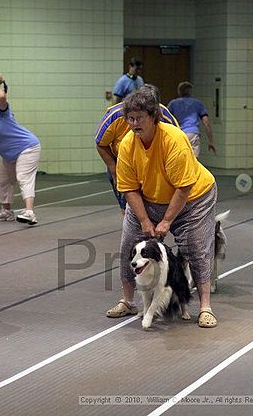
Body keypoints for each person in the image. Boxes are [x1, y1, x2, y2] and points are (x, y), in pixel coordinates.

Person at [106, 86, 218, 328]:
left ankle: (205, 307)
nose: (134, 124)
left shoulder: (174, 140)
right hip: (149, 198)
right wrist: (145, 221)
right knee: (129, 245)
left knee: (196, 249)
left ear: (154, 117)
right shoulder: (126, 145)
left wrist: (166, 221)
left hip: (193, 199)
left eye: (139, 118)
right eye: (130, 119)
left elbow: (184, 187)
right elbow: (128, 188)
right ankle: (127, 301)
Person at [95, 84, 179, 213]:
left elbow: (178, 144)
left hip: (153, 162)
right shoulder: (115, 115)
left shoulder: (165, 116)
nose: (137, 123)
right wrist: (114, 171)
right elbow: (101, 143)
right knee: (129, 207)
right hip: (123, 163)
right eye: (133, 118)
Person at [0, 72, 41, 224]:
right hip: (10, 156)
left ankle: (30, 212)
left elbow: (2, 98)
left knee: (23, 176)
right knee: (1, 179)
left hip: (28, 147)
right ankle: (6, 212)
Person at [168, 81, 216, 158]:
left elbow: (167, 121)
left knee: (181, 159)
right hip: (193, 134)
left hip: (179, 134)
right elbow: (206, 122)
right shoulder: (197, 103)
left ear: (179, 91)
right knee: (194, 161)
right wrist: (211, 141)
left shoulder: (173, 104)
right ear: (190, 91)